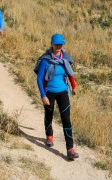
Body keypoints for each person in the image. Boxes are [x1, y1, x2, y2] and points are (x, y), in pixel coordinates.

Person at [37, 33, 79, 161]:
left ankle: (70, 149)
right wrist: (43, 95)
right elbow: (39, 79)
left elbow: (70, 74)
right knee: (49, 115)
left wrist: (74, 87)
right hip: (49, 92)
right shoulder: (45, 60)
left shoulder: (65, 58)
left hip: (63, 92)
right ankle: (49, 135)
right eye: (56, 44)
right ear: (52, 44)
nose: (58, 46)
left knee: (66, 120)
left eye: (60, 44)